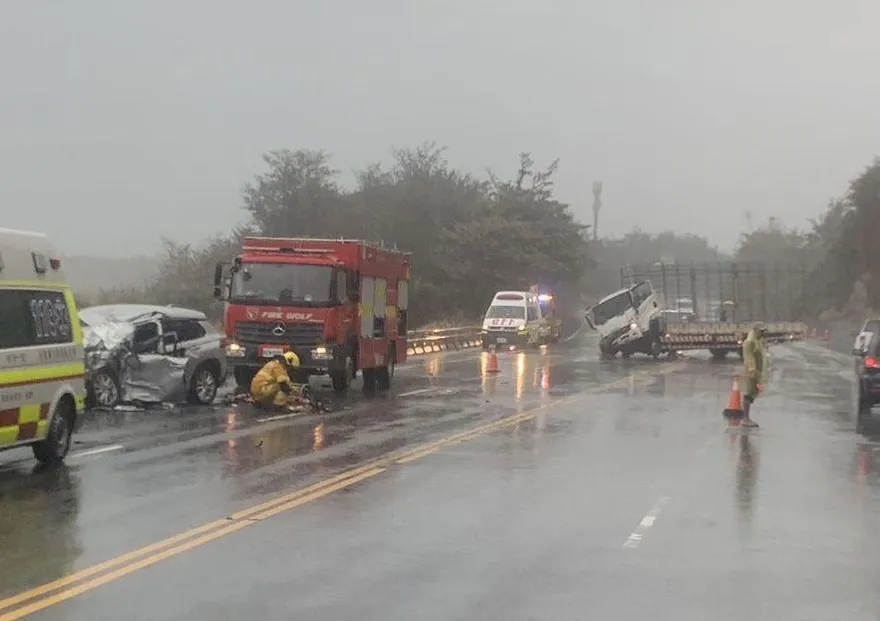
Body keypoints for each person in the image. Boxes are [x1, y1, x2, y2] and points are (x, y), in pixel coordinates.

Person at [741, 322, 767, 428]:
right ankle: (745, 418)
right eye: (761, 331)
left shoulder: (757, 340)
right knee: (749, 392)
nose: (763, 333)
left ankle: (746, 417)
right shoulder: (750, 341)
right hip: (752, 372)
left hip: (757, 371)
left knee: (753, 392)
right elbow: (748, 356)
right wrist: (752, 370)